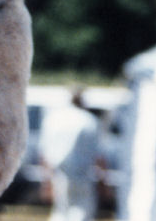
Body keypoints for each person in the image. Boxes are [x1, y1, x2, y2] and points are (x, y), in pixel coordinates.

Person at [38, 88, 101, 221]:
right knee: (82, 210)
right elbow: (98, 153)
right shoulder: (88, 120)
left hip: (59, 173)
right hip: (82, 174)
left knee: (61, 211)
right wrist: (103, 179)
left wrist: (46, 180)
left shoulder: (54, 119)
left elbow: (45, 152)